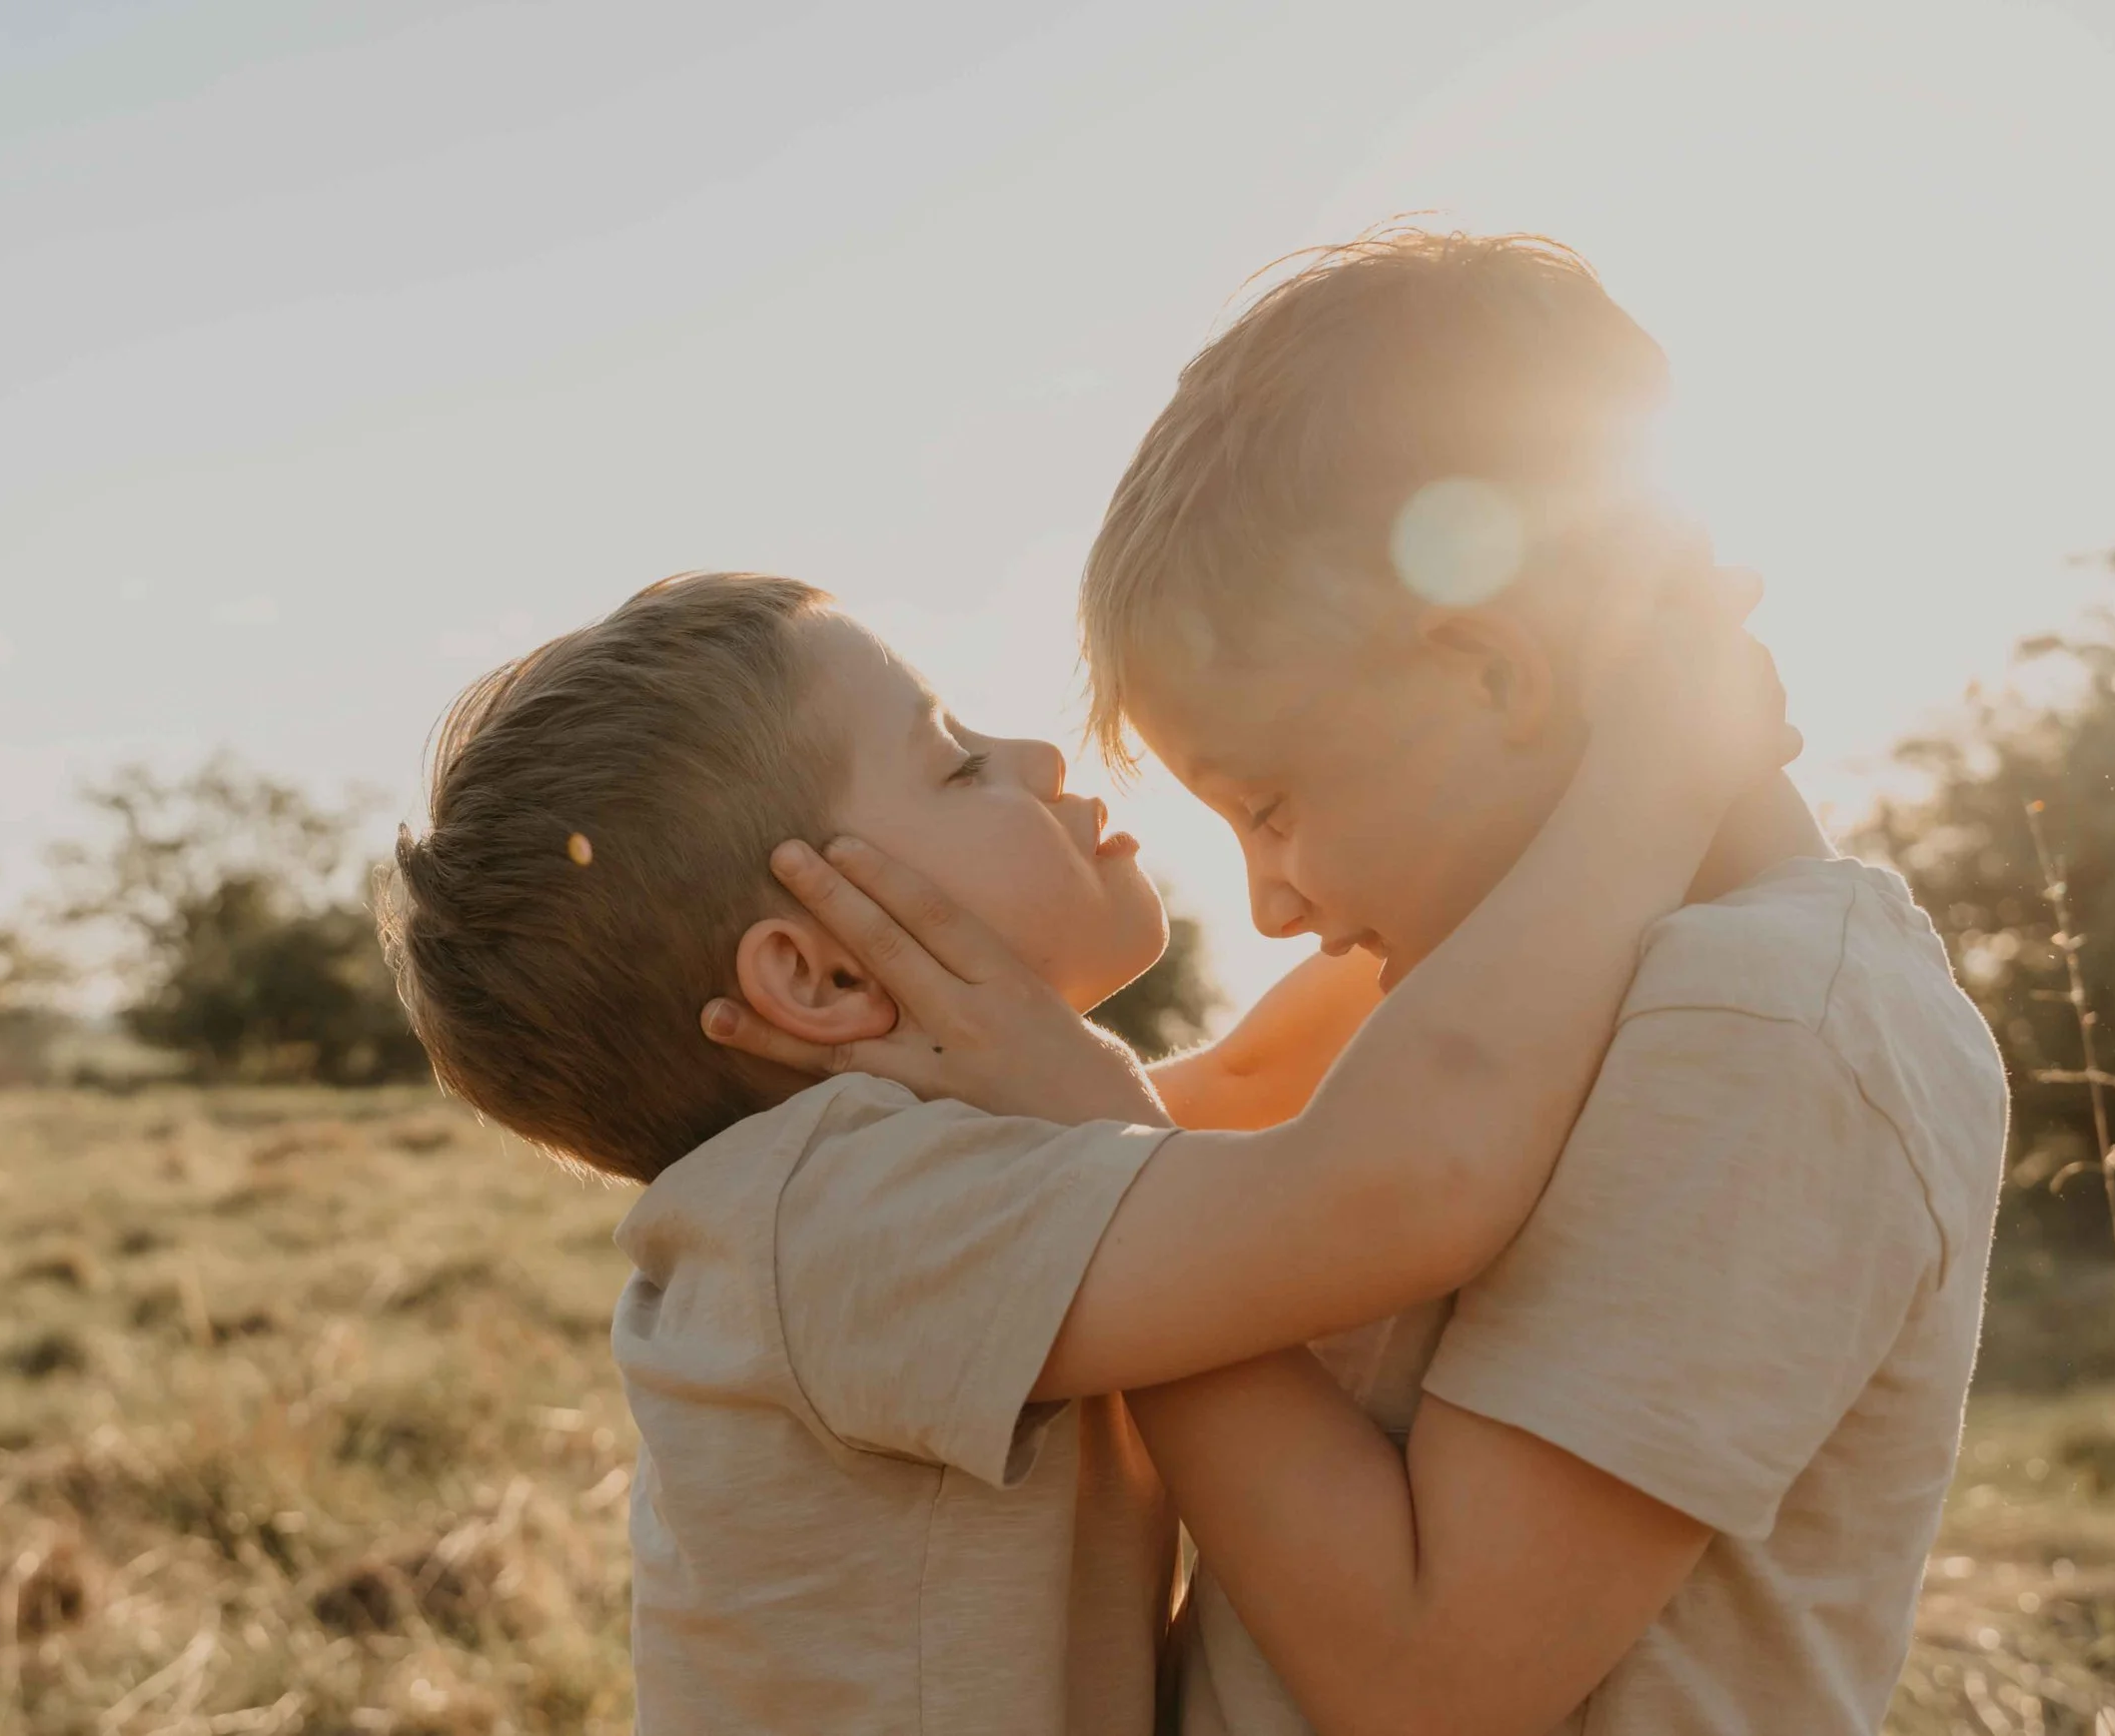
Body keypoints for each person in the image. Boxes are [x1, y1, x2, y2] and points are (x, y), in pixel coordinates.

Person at [708, 232, 2011, 1734]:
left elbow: (1429, 1670)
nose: (1269, 903)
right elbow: (1272, 1094)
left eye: (1270, 804)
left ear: (1492, 673)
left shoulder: (1770, 1027)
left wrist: (1096, 1163)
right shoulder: (1558, 997)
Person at [380, 562, 1790, 1733]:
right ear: (815, 977)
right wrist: (1646, 789)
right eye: (954, 761)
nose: (1043, 755)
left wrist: (1484, 828)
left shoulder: (880, 1184)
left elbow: (1241, 1084)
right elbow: (1400, 1182)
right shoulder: (849, 1216)